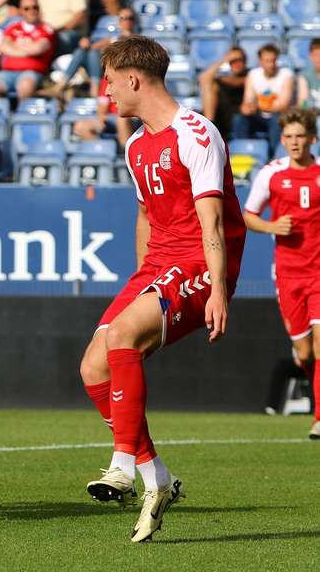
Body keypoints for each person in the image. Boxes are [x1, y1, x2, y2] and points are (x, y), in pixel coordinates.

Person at [78, 35, 246, 542]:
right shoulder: (135, 144)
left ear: (133, 79)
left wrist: (219, 290)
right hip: (158, 266)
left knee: (123, 336)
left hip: (201, 258)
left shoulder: (196, 134)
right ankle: (159, 478)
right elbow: (146, 215)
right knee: (92, 365)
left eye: (109, 81)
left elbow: (212, 224)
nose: (106, 92)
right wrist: (143, 283)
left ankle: (123, 465)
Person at [243, 108, 320, 440]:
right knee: (305, 353)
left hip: (319, 272)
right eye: (288, 136)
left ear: (312, 139)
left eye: (300, 136)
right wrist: (272, 226)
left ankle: (319, 416)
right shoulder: (271, 173)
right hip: (288, 274)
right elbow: (248, 215)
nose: (293, 142)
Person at [0, 0, 56, 101]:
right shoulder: (13, 27)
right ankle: (2, 115)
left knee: (25, 87)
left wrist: (15, 47)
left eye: (35, 7)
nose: (31, 11)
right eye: (27, 8)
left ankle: (21, 116)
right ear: (21, 11)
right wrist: (27, 50)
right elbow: (3, 47)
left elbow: (38, 48)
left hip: (32, 72)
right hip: (8, 72)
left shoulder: (47, 28)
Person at [56, 7, 137, 99]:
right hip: (99, 65)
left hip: (113, 68)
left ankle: (93, 90)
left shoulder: (135, 39)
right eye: (123, 18)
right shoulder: (115, 36)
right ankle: (62, 85)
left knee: (93, 52)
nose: (127, 21)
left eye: (130, 18)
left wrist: (102, 44)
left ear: (134, 21)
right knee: (80, 52)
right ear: (118, 20)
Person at [232, 44, 295, 147]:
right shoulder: (253, 75)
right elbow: (247, 101)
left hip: (278, 117)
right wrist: (246, 108)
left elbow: (283, 106)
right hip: (258, 116)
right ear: (260, 61)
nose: (271, 64)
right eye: (267, 61)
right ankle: (243, 151)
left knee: (277, 119)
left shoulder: (286, 75)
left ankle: (274, 155)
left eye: (273, 60)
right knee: (239, 119)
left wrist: (256, 106)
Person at [199, 47, 248, 139]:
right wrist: (224, 60)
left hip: (236, 116)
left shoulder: (250, 75)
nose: (236, 64)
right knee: (210, 85)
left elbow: (238, 82)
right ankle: (209, 124)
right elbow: (204, 79)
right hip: (219, 116)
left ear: (245, 61)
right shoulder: (222, 77)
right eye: (233, 61)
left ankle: (209, 127)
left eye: (239, 60)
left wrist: (220, 79)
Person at [72, 77, 135, 146]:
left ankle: (126, 151)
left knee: (122, 120)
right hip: (110, 117)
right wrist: (101, 118)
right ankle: (100, 150)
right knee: (80, 126)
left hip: (130, 116)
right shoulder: (107, 80)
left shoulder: (130, 78)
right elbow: (102, 106)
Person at [296, 38, 320, 111]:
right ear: (310, 56)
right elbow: (303, 103)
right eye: (316, 55)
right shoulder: (304, 76)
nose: (319, 59)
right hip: (312, 116)